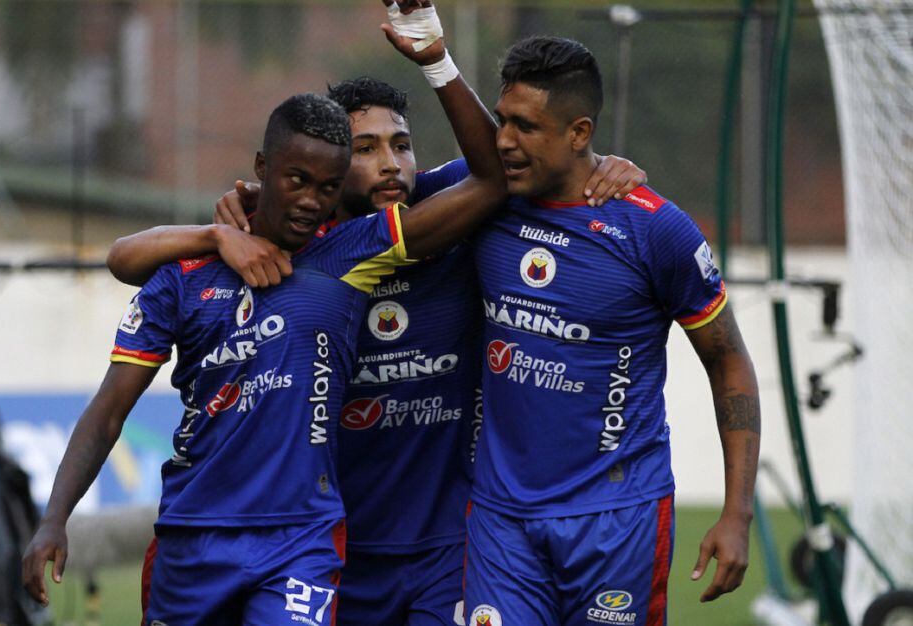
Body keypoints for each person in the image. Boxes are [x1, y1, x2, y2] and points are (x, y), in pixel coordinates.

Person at [107, 4, 647, 624]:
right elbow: (126, 257)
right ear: (331, 174)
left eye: (402, 144)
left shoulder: (443, 208)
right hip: (339, 545)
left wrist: (597, 162)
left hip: (450, 544)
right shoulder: (310, 248)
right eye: (365, 149)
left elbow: (502, 171)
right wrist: (218, 231)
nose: (391, 163)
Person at [22, 56, 508, 623]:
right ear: (261, 169)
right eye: (297, 181)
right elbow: (109, 402)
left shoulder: (352, 252)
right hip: (191, 536)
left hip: (302, 541)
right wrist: (55, 518)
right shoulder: (185, 272)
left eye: (326, 186)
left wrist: (434, 55)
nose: (310, 199)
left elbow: (492, 177)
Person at [463, 35, 760, 626]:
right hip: (502, 517)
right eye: (501, 121)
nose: (503, 141)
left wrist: (738, 513)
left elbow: (728, 360)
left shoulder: (656, 231)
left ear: (579, 133)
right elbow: (378, 193)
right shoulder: (481, 199)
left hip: (618, 517)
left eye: (525, 126)